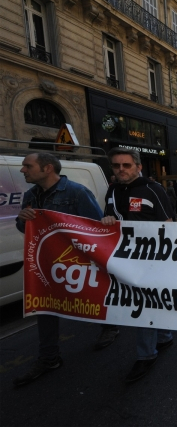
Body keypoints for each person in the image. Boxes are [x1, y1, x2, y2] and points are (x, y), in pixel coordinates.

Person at [13, 153, 104, 387]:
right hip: (46, 264)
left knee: (92, 299)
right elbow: (26, 229)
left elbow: (96, 227)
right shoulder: (30, 195)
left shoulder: (76, 192)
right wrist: (23, 219)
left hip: (77, 263)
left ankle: (110, 326)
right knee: (45, 307)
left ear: (47, 168)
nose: (23, 170)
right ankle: (49, 358)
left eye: (27, 166)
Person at [97, 147, 174, 382]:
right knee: (147, 302)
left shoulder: (153, 189)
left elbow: (169, 224)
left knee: (143, 305)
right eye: (116, 165)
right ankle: (164, 336)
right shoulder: (111, 190)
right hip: (123, 258)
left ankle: (146, 356)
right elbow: (109, 216)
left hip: (150, 260)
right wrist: (107, 219)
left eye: (126, 165)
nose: (121, 170)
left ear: (138, 167)